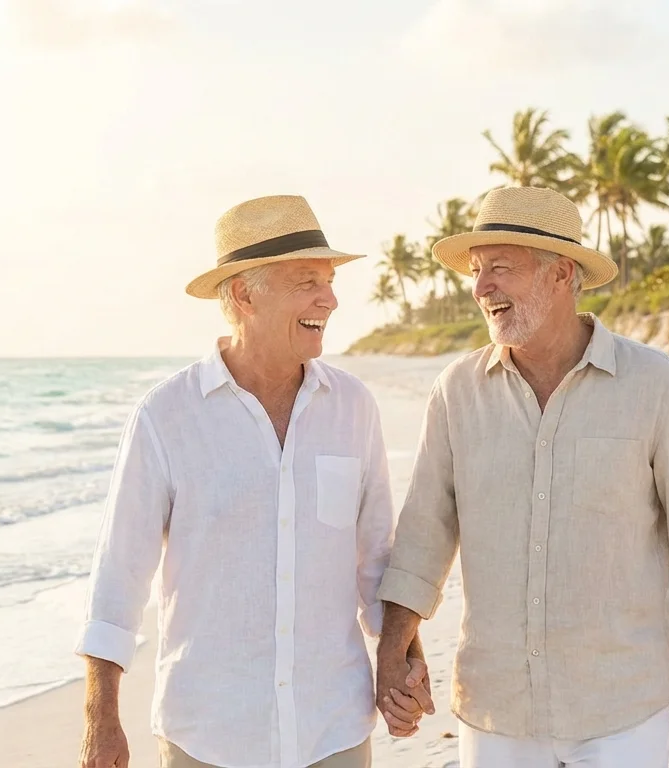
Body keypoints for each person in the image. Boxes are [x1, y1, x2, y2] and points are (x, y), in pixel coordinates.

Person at [375, 186, 669, 767]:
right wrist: (394, 650)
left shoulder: (653, 384)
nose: (481, 289)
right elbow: (423, 535)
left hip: (622, 708)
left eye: (500, 268)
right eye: (476, 272)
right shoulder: (457, 392)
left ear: (561, 274)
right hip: (497, 709)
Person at [76, 194, 431, 768]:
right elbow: (118, 577)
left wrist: (402, 656)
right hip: (208, 736)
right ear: (244, 293)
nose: (331, 298)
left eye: (330, 281)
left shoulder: (354, 407)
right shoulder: (166, 416)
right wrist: (100, 719)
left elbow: (376, 562)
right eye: (307, 281)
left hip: (332, 729)